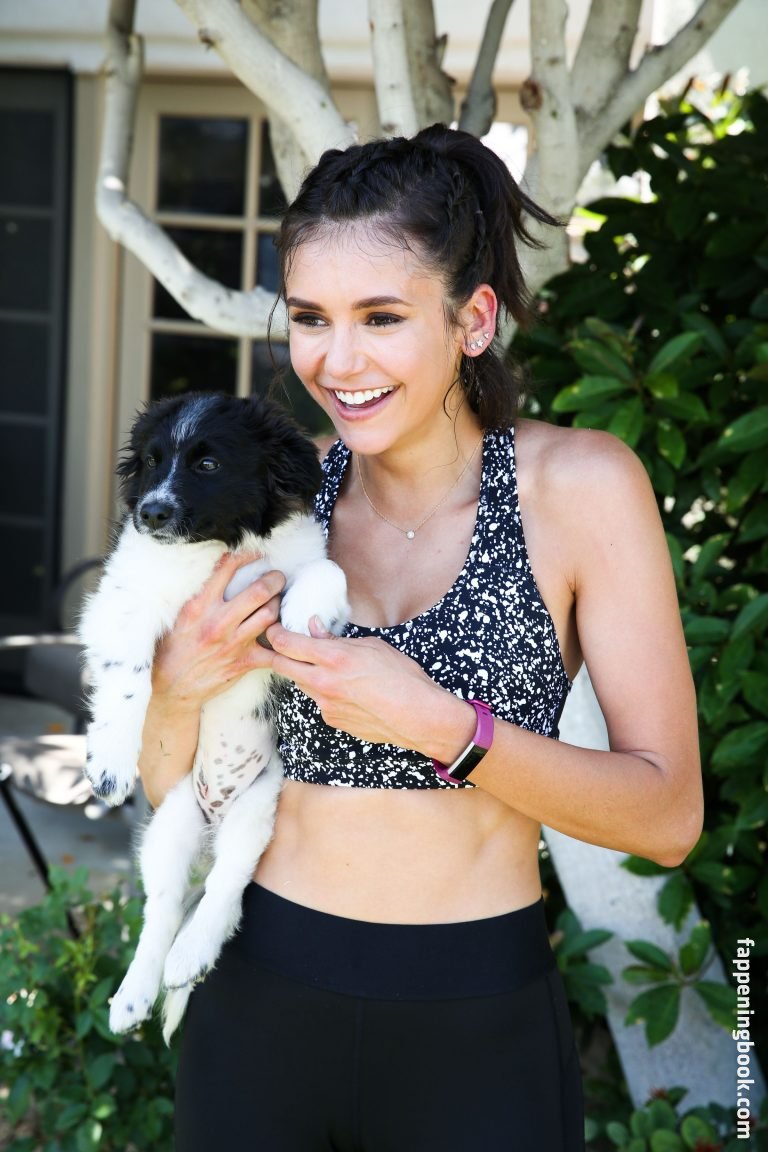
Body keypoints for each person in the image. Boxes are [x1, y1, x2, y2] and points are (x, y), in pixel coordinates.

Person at [138, 125, 702, 1152]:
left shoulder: (580, 489)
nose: (338, 361)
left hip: (475, 1023)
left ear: (473, 319)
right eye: (311, 318)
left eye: (382, 318)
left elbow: (667, 816)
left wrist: (442, 725)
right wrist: (176, 688)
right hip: (257, 1001)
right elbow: (172, 793)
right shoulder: (275, 496)